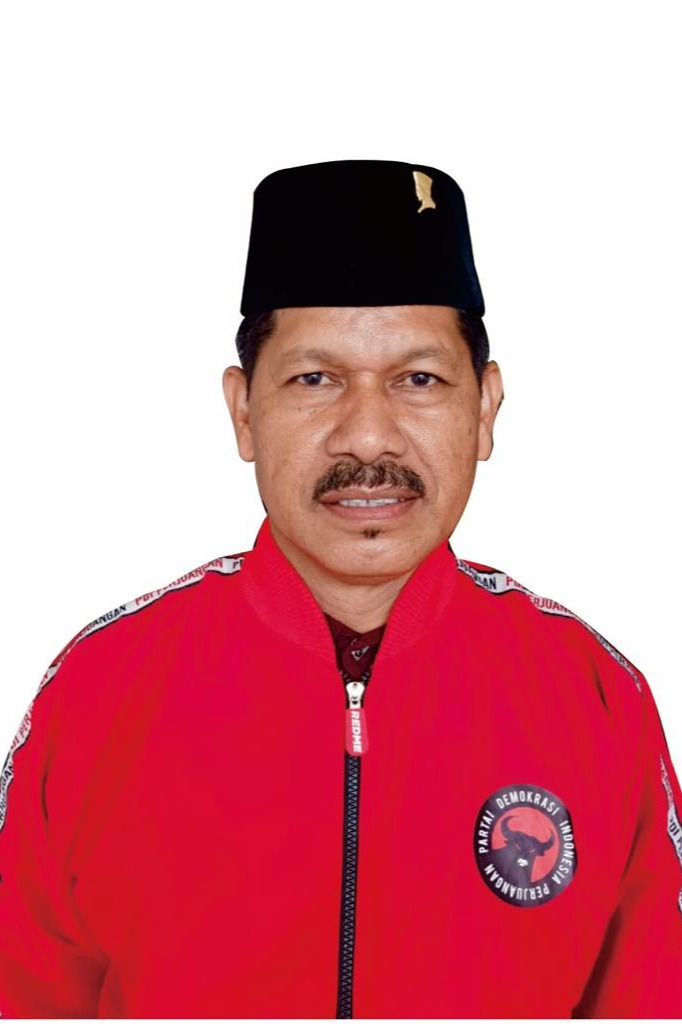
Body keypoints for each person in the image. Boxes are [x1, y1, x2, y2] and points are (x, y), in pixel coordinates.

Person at [0, 159, 681, 1019]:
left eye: (419, 379)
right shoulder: (101, 694)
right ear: (244, 412)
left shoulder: (594, 701)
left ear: (485, 409)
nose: (367, 435)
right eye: (314, 379)